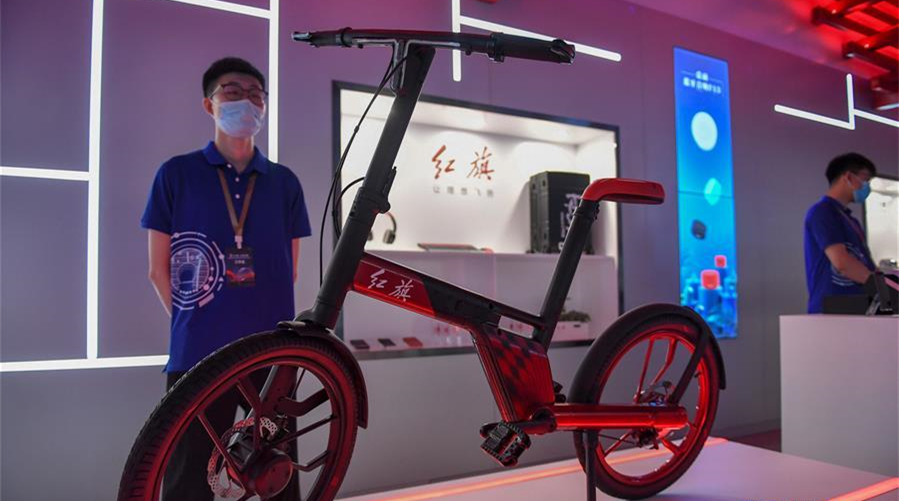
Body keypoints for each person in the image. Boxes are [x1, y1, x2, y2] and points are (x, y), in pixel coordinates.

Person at [140, 57, 311, 500]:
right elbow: (158, 269)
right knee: (188, 475)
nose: (246, 102)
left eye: (256, 94)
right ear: (209, 104)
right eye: (232, 92)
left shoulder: (284, 182)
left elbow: (289, 269)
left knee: (276, 475)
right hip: (198, 354)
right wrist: (196, 322)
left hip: (272, 353)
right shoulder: (176, 174)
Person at [804, 152, 877, 313]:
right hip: (832, 310)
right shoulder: (822, 212)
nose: (867, 186)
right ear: (848, 177)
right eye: (865, 179)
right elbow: (842, 263)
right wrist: (882, 288)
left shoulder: (851, 220)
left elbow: (866, 265)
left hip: (858, 306)